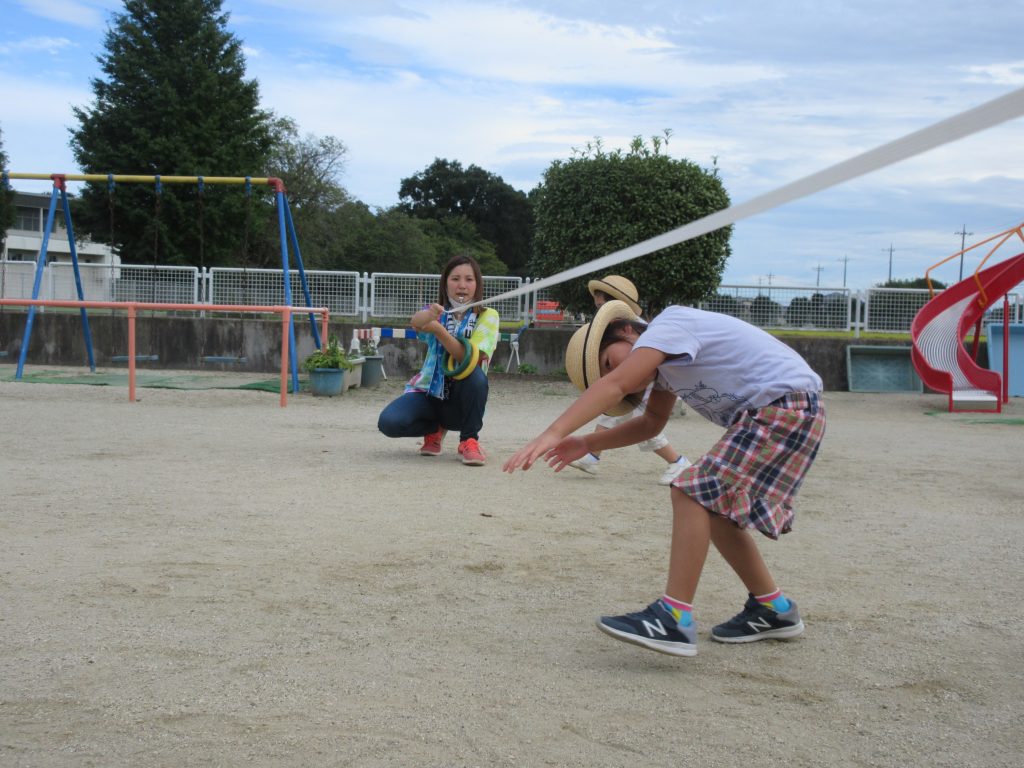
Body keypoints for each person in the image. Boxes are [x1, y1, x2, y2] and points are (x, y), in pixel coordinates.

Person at [503, 299, 825, 657]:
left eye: (608, 362)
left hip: (783, 407)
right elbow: (651, 423)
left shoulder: (670, 325)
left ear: (626, 330)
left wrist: (553, 432)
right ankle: (773, 609)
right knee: (715, 508)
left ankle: (673, 618)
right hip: (787, 410)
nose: (620, 376)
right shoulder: (668, 368)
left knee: (690, 491)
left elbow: (618, 384)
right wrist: (588, 442)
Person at [377, 254, 500, 466]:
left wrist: (438, 330)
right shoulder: (438, 312)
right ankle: (434, 429)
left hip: (462, 399)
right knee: (389, 423)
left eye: (469, 279)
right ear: (445, 283)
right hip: (427, 392)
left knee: (476, 376)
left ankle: (469, 440)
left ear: (477, 284)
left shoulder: (488, 315)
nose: (462, 285)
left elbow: (466, 358)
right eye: (455, 279)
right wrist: (429, 315)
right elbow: (416, 322)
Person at [568, 275, 691, 485]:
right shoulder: (630, 330)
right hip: (642, 385)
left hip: (645, 387)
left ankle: (678, 461)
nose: (599, 311)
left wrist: (556, 433)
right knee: (610, 415)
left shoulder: (637, 333)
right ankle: (592, 456)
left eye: (602, 306)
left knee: (643, 424)